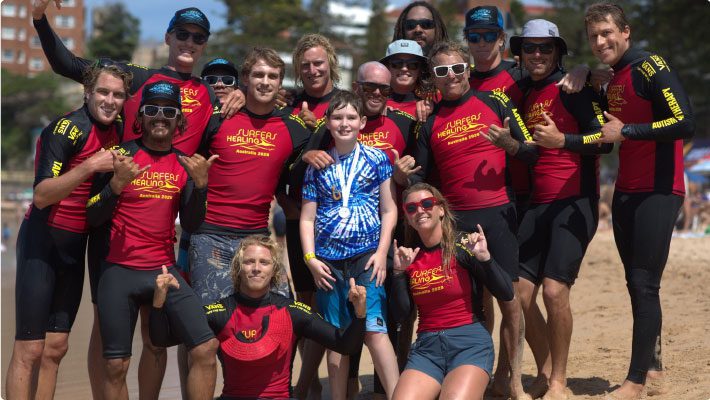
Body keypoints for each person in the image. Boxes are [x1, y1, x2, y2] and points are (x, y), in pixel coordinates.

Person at [31, 3, 234, 397]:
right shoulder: (139, 77)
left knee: (156, 334)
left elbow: (227, 133)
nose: (189, 42)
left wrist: (239, 97)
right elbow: (68, 64)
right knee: (110, 337)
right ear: (168, 38)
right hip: (118, 205)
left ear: (205, 44)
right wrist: (40, 20)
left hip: (169, 209)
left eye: (198, 37)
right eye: (183, 34)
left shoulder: (209, 93)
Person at [411, 40, 537, 400]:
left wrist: (510, 145)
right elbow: (421, 175)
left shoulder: (495, 101)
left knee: (509, 299)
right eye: (440, 71)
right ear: (433, 78)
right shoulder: (430, 120)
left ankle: (511, 380)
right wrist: (404, 173)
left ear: (467, 68)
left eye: (456, 68)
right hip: (457, 222)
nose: (450, 76)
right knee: (475, 303)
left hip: (498, 213)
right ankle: (477, 376)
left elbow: (530, 152)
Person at [584, 3, 695, 399]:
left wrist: (626, 130)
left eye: (607, 33)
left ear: (625, 32)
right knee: (636, 283)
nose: (600, 42)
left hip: (659, 190)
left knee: (645, 283)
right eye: (594, 36)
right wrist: (590, 87)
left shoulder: (651, 67)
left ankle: (634, 381)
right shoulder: (613, 78)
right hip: (627, 191)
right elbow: (610, 139)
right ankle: (654, 363)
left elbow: (684, 122)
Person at [86, 81, 220, 400]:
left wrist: (201, 186)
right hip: (118, 271)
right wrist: (115, 185)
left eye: (169, 111)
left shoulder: (186, 164)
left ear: (179, 120)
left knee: (204, 346)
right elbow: (91, 217)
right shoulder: (119, 157)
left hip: (163, 271)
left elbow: (190, 223)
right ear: (141, 117)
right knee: (116, 365)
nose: (160, 117)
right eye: (152, 110)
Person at [5, 62, 130, 400]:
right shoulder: (66, 129)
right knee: (29, 348)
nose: (109, 100)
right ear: (87, 92)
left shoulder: (120, 128)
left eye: (117, 94)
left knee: (56, 347)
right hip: (42, 242)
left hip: (76, 247)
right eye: (103, 92)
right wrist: (90, 166)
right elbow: (42, 194)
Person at [297, 61, 418, 399]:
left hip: (367, 258)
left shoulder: (378, 159)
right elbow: (307, 218)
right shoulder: (318, 165)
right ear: (328, 123)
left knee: (375, 330)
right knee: (336, 338)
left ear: (362, 122)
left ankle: (397, 395)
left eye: (352, 117)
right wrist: (309, 259)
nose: (345, 123)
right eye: (338, 118)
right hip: (329, 262)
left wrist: (382, 253)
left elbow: (389, 209)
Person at [510, 19, 613, 400]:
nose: (537, 54)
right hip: (538, 204)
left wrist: (562, 140)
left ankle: (559, 381)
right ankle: (544, 369)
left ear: (558, 53)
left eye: (546, 48)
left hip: (575, 202)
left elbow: (604, 143)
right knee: (519, 294)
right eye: (530, 48)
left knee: (554, 292)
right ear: (519, 53)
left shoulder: (573, 89)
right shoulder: (520, 90)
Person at [150, 235, 367, 399]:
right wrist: (159, 302)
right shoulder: (219, 312)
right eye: (248, 262)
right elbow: (162, 339)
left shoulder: (293, 312)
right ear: (238, 268)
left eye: (264, 262)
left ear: (274, 270)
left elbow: (345, 345)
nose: (255, 268)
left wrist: (359, 314)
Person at [189, 47, 310, 305]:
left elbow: (330, 139)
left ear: (280, 82)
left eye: (272, 76)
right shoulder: (219, 117)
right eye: (258, 75)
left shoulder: (294, 126)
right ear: (245, 78)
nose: (265, 82)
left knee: (283, 317)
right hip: (211, 236)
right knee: (207, 325)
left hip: (258, 237)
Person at [390, 183, 515, 400]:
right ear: (408, 218)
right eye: (411, 208)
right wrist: (399, 274)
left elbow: (506, 293)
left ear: (441, 210)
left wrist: (485, 259)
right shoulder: (409, 256)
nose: (420, 210)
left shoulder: (464, 246)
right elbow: (402, 315)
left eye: (426, 204)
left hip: (469, 345)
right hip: (427, 350)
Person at [381, 40, 429, 118]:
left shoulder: (429, 106)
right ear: (387, 67)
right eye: (397, 63)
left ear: (420, 69)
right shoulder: (374, 105)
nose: (404, 69)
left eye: (412, 64)